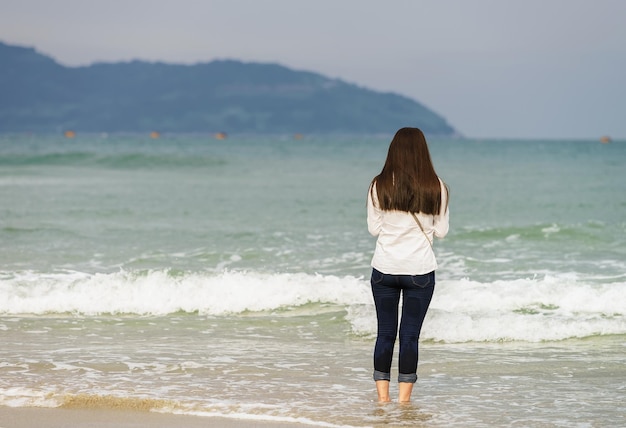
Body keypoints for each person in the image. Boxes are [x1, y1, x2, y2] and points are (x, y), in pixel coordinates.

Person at [366, 127, 449, 403]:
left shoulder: (378, 184)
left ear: (394, 151)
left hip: (384, 269)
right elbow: (442, 231)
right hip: (420, 271)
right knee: (410, 337)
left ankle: (382, 399)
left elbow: (374, 228)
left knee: (385, 334)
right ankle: (403, 402)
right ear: (422, 152)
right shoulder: (437, 186)